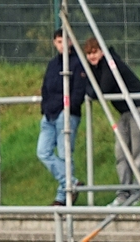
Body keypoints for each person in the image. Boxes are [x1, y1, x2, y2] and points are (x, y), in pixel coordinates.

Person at [83, 37, 140, 206]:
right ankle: (123, 192)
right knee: (121, 152)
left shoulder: (110, 63)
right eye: (89, 53)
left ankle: (139, 192)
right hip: (125, 111)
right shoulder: (95, 68)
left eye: (95, 52)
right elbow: (88, 86)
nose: (92, 56)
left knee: (138, 151)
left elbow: (103, 89)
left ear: (102, 51)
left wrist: (91, 90)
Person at [38, 29, 87, 206]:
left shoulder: (78, 62)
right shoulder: (53, 64)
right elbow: (45, 87)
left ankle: (62, 196)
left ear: (71, 42)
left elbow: (79, 89)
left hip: (66, 113)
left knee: (65, 154)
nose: (62, 45)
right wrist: (44, 108)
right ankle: (71, 182)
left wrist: (69, 108)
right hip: (49, 114)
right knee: (42, 152)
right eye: (59, 41)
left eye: (65, 41)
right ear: (54, 43)